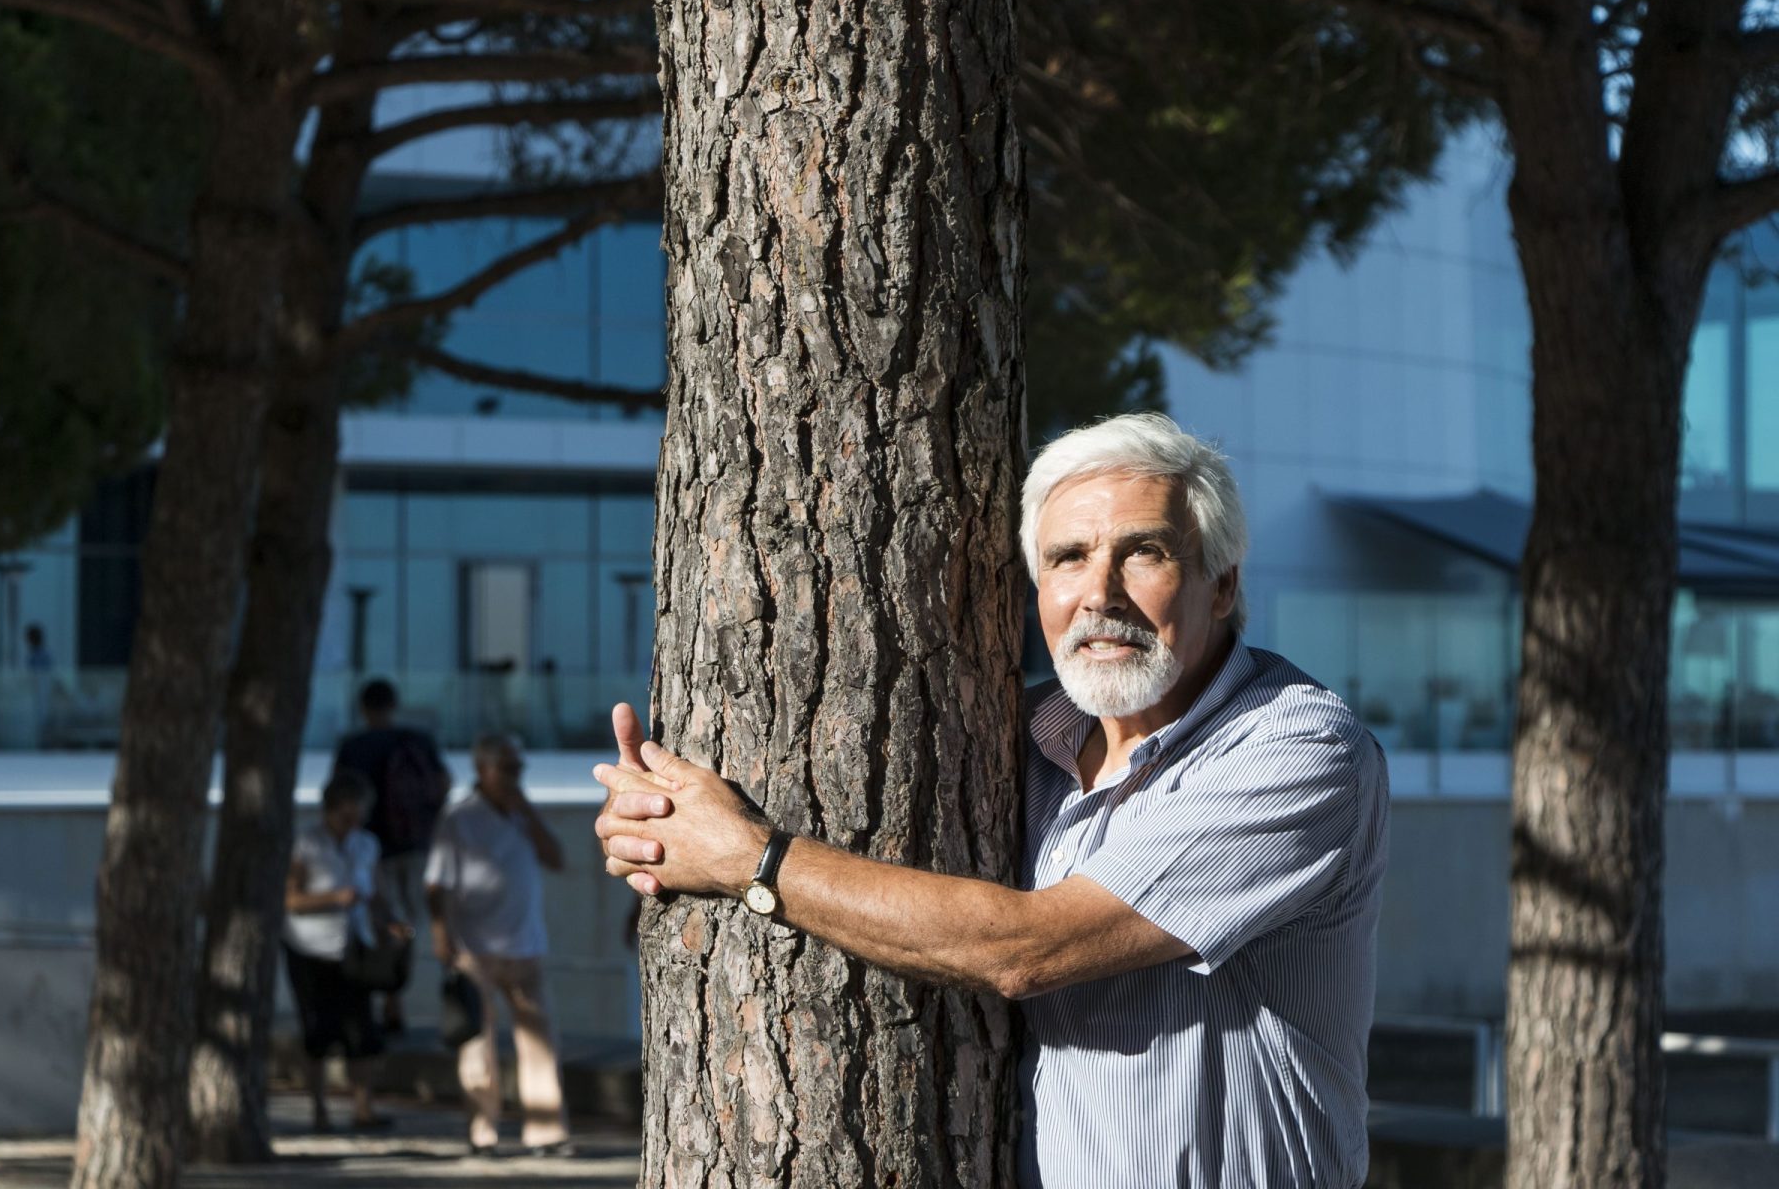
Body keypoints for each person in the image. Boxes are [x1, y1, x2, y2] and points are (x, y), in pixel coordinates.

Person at [594, 412, 1391, 1189]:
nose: (1099, 593)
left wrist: (746, 858)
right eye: (1068, 558)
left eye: (1144, 553)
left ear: (1222, 586)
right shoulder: (1017, 735)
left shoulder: (1297, 750)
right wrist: (654, 821)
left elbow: (1027, 951)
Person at [426, 733, 573, 1157]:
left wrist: (527, 811)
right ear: (483, 770)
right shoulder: (458, 818)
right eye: (508, 768)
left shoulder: (522, 814)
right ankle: (482, 1132)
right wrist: (440, 933)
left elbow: (556, 858)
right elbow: (435, 883)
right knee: (478, 1048)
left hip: (526, 944)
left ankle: (547, 1133)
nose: (516, 776)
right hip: (475, 947)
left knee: (540, 1043)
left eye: (519, 768)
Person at [331, 678, 450, 1033]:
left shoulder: (353, 746)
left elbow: (338, 794)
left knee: (376, 921)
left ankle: (379, 994)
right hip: (413, 847)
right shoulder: (417, 740)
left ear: (364, 708)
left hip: (369, 848)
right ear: (393, 704)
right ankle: (393, 997)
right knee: (404, 923)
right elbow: (443, 784)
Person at [283, 770, 394, 1133]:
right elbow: (292, 899)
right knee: (317, 1031)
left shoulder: (367, 845)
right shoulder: (307, 845)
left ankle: (364, 1107)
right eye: (348, 811)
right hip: (310, 948)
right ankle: (319, 1110)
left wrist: (392, 925)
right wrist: (334, 898)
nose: (355, 819)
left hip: (353, 946)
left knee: (361, 1030)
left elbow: (376, 893)